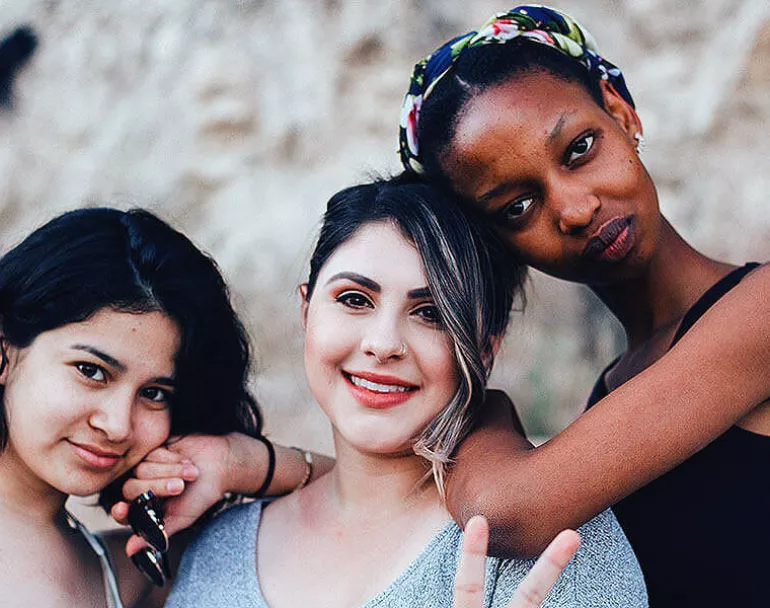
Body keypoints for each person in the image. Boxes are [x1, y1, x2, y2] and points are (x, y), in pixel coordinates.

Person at [398, 5, 770, 606]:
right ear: (499, 243)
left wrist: (481, 405)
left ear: (621, 113)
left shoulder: (762, 313)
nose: (573, 209)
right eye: (517, 207)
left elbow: (509, 512)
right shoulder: (612, 390)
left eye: (579, 149)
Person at [164, 176, 648, 607]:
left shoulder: (553, 542)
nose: (383, 344)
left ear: (484, 350)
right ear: (306, 309)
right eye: (354, 299)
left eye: (430, 313)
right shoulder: (219, 551)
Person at [0, 207, 277, 607]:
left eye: (155, 393)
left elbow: (371, 510)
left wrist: (237, 462)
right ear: (5, 353)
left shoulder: (125, 573)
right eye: (91, 371)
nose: (117, 425)